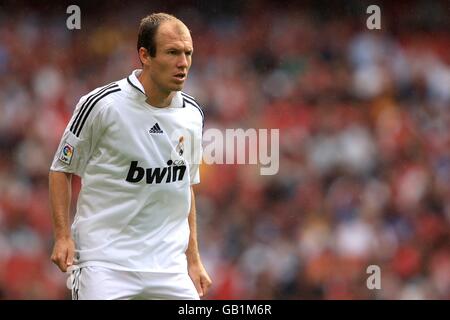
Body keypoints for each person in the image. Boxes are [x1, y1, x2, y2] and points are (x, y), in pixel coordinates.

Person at [49, 12, 212, 300]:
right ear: (145, 55)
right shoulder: (101, 105)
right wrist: (63, 236)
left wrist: (193, 258)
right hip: (105, 264)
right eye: (172, 52)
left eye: (188, 53)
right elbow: (61, 169)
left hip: (169, 269)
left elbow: (184, 187)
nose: (183, 63)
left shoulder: (193, 114)